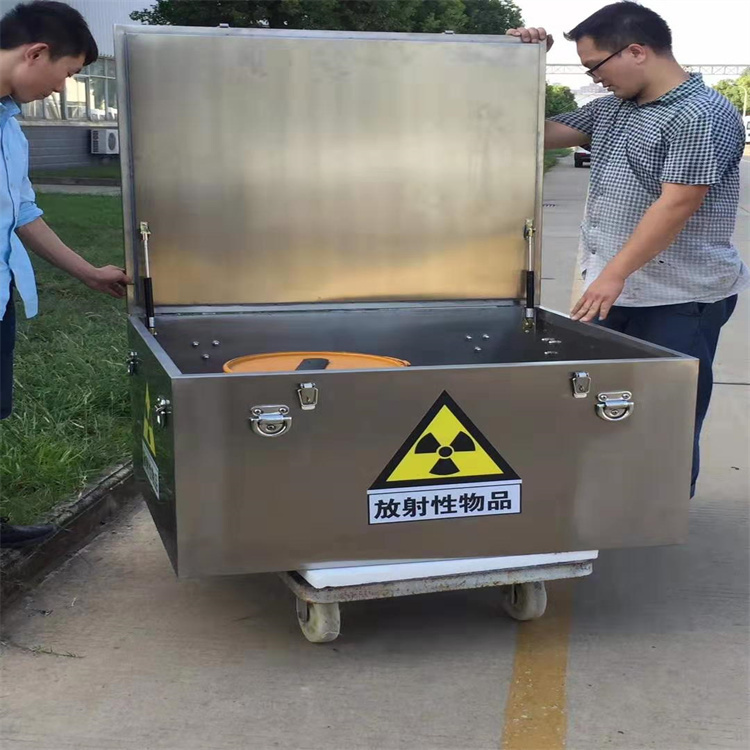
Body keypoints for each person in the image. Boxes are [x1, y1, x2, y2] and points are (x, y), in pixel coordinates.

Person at [507, 2, 748, 498]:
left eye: (595, 66)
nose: (594, 79)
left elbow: (677, 204)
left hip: (678, 298)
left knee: (666, 417)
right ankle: (611, 507)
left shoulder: (703, 114)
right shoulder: (613, 109)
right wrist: (523, 67)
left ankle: (658, 514)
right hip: (612, 289)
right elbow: (535, 134)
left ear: (636, 51)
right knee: (599, 406)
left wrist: (613, 275)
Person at [0, 1, 130, 548]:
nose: (62, 87)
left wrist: (88, 273)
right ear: (36, 53)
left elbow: (23, 213)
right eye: (68, 73)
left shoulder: (10, 128)